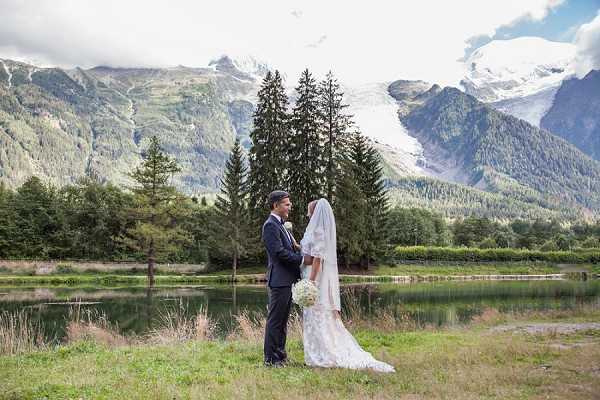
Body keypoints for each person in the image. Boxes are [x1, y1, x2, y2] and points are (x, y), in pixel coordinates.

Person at [300, 198, 395, 372]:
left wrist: (311, 282)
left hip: (317, 279)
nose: (307, 214)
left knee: (319, 314)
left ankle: (326, 353)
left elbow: (318, 259)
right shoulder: (315, 230)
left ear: (315, 213)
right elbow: (308, 252)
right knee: (315, 315)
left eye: (309, 211)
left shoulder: (319, 231)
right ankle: (317, 351)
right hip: (312, 276)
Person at [262, 190, 303, 367]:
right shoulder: (270, 225)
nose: (290, 206)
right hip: (279, 280)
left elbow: (287, 249)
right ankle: (270, 359)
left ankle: (281, 356)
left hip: (287, 280)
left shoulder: (282, 225)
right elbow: (278, 254)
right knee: (275, 321)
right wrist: (303, 259)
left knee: (283, 321)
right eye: (286, 204)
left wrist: (297, 248)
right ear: (275, 205)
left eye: (289, 203)